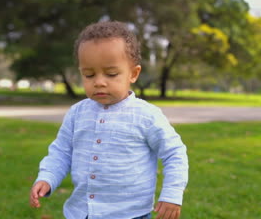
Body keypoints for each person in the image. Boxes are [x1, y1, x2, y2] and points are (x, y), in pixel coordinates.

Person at [29, 21, 189, 219]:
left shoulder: (146, 115)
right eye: (89, 75)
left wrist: (172, 193)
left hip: (131, 213)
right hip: (81, 212)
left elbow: (175, 153)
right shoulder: (77, 113)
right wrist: (47, 177)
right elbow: (61, 151)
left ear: (133, 73)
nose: (99, 82)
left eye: (111, 74)